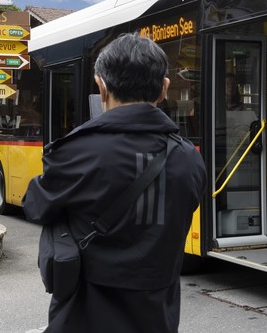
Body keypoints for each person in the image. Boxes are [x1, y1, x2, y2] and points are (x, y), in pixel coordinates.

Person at [22, 33, 206, 333]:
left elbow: (35, 207)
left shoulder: (78, 151)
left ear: (101, 87)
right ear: (164, 89)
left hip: (84, 317)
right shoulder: (189, 158)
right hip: (159, 318)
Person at [224, 73, 267, 186]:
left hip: (240, 136)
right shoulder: (217, 106)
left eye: (233, 84)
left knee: (259, 136)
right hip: (224, 138)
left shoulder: (240, 105)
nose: (231, 87)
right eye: (228, 84)